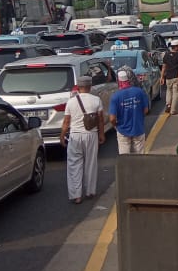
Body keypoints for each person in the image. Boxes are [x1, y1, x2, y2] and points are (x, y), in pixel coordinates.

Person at [61, 76, 105, 204]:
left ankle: (76, 195)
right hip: (91, 135)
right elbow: (101, 119)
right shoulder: (96, 100)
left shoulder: (71, 102)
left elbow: (66, 121)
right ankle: (90, 191)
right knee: (91, 163)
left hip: (75, 135)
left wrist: (62, 135)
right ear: (90, 86)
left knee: (74, 165)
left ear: (78, 87)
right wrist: (101, 134)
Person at [108, 67, 151, 154]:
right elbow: (146, 110)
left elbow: (112, 118)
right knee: (139, 157)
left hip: (122, 130)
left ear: (119, 81)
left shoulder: (115, 96)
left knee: (124, 157)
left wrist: (115, 126)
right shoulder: (139, 92)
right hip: (138, 128)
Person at [160, 39, 178, 115]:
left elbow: (164, 67)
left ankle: (168, 105)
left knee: (168, 91)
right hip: (175, 77)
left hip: (168, 77)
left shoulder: (166, 55)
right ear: (176, 47)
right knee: (176, 93)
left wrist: (162, 77)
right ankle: (173, 110)